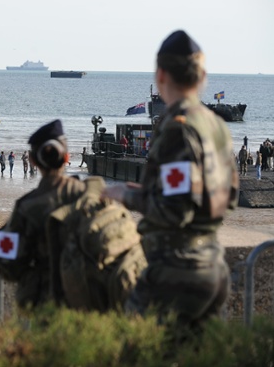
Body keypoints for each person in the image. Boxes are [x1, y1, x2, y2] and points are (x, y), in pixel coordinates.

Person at [102, 30, 238, 327]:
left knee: (137, 349)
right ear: (202, 76)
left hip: (174, 270)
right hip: (212, 263)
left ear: (161, 75)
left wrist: (125, 195)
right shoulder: (216, 126)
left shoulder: (178, 128)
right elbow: (225, 198)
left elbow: (176, 209)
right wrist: (146, 191)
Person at [0, 119, 85, 310]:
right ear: (67, 157)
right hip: (91, 302)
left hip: (48, 303)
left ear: (33, 160)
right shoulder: (92, 197)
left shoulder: (26, 207)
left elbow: (8, 265)